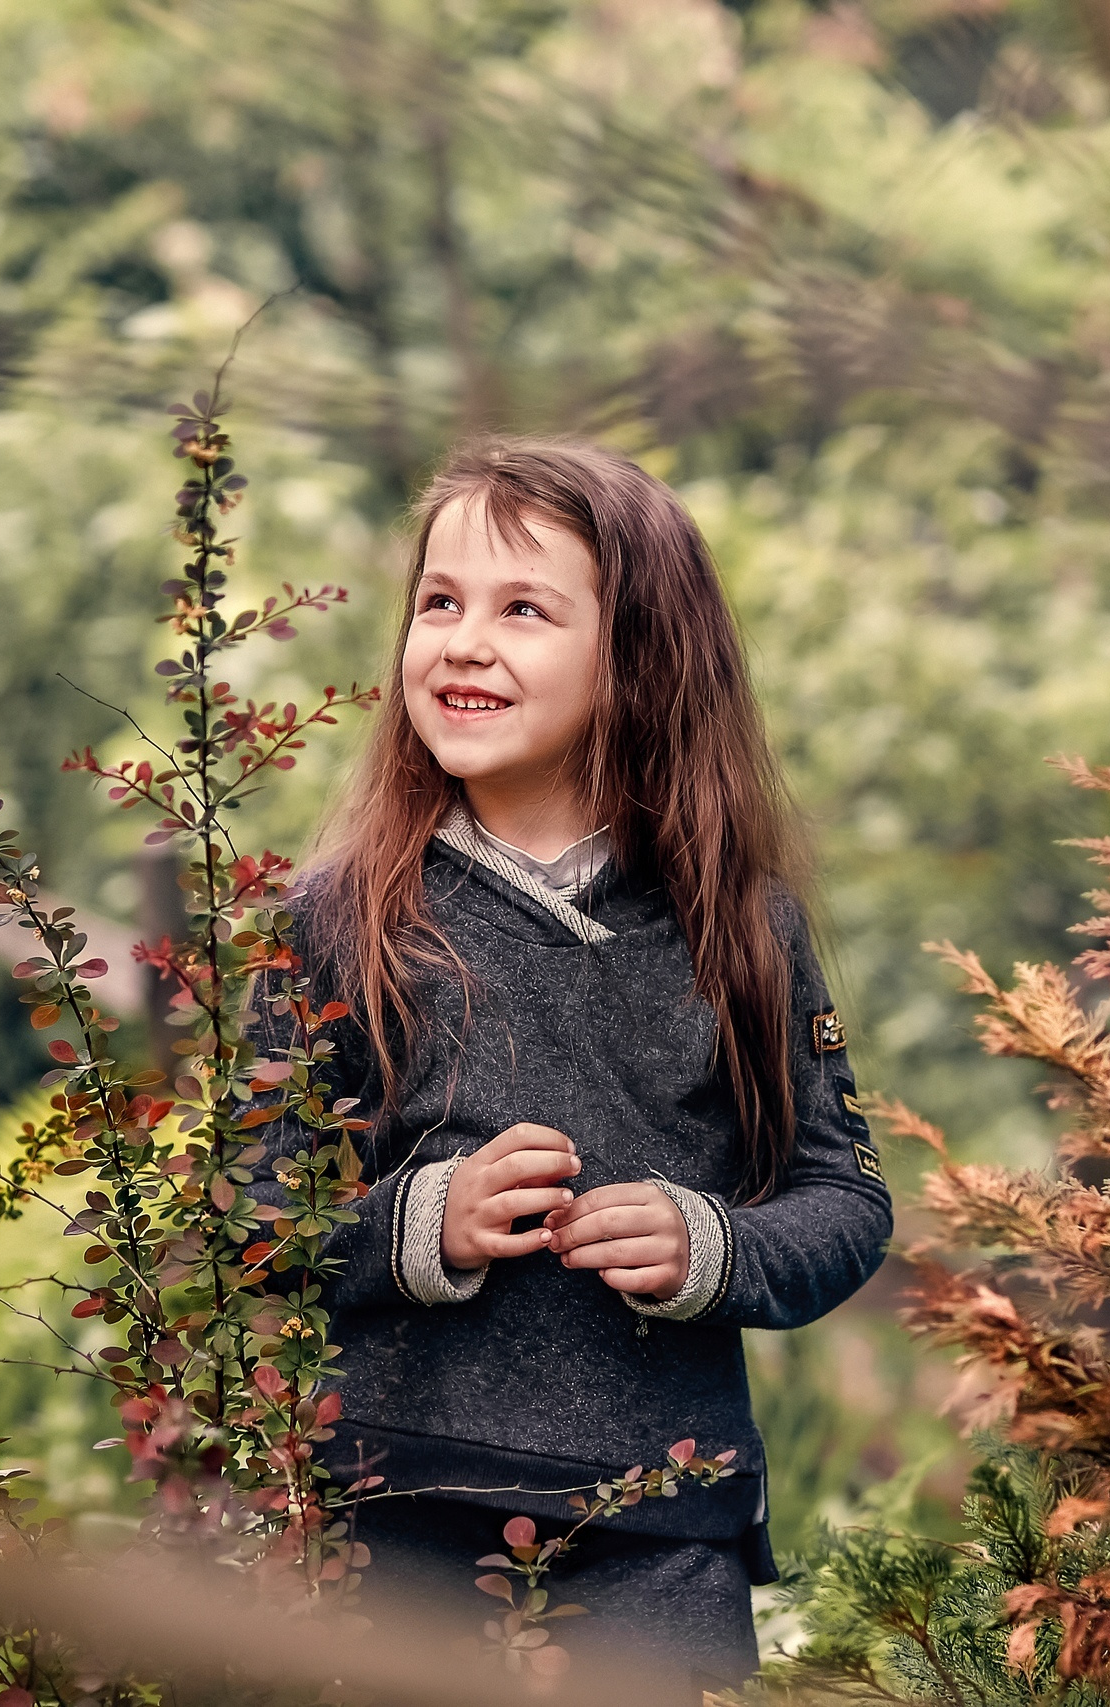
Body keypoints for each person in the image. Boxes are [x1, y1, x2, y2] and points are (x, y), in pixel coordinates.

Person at [256, 436, 891, 1693]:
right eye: (438, 602)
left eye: (523, 609)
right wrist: (418, 1223)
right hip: (396, 1515)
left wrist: (710, 1248)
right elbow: (244, 1220)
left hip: (663, 1525)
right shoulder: (338, 917)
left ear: (638, 661)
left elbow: (845, 1200)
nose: (461, 642)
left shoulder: (740, 926)